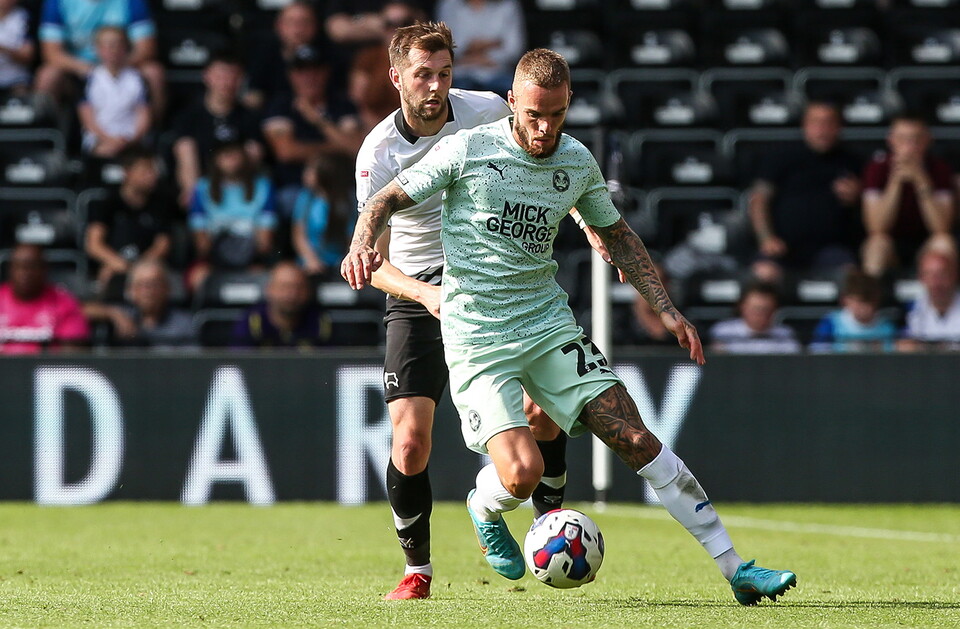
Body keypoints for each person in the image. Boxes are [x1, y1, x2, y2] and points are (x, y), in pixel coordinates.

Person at [343, 48, 796, 605]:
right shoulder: (467, 149)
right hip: (477, 333)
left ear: (568, 104)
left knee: (637, 440)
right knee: (521, 475)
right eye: (534, 115)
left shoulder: (577, 161)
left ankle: (737, 569)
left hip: (547, 325)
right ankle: (484, 505)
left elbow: (619, 234)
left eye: (556, 115)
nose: (544, 129)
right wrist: (362, 241)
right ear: (512, 102)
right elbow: (386, 198)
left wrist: (666, 308)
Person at [351, 22, 583, 601]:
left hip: (493, 283)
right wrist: (427, 296)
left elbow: (547, 164)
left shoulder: (485, 111)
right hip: (419, 294)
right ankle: (418, 570)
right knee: (410, 442)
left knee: (544, 412)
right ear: (396, 77)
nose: (435, 86)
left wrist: (589, 221)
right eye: (422, 75)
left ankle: (548, 526)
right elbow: (373, 263)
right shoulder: (377, 153)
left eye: (444, 73)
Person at [748, 101, 862, 282]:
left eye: (828, 122)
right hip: (783, 248)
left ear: (839, 127)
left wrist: (858, 195)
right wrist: (766, 238)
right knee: (764, 273)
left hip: (831, 249)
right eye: (816, 122)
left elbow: (871, 209)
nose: (822, 129)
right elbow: (759, 199)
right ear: (804, 125)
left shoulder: (853, 162)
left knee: (852, 279)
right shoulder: (780, 157)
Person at [261, 44, 361, 217]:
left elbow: (355, 148)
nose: (309, 77)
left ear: (326, 72)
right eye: (302, 71)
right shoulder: (280, 106)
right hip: (294, 186)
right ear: (291, 75)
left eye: (315, 71)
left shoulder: (342, 105)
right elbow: (286, 152)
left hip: (340, 187)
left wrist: (318, 120)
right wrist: (336, 146)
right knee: (293, 201)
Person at [861, 114, 956, 278]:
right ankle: (871, 293)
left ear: (928, 140)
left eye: (916, 139)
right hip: (892, 245)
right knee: (876, 244)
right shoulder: (877, 168)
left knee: (944, 242)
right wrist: (895, 182)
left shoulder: (940, 169)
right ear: (891, 140)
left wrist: (921, 181)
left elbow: (941, 227)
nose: (910, 147)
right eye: (902, 139)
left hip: (926, 245)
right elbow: (876, 227)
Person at [35, 0, 165, 116]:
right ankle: (47, 131)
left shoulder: (132, 1)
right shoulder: (57, 2)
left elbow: (146, 49)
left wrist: (113, 67)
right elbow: (51, 54)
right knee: (47, 75)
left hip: (121, 66)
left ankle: (155, 130)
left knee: (154, 72)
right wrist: (91, 70)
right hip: (77, 70)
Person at [172, 51, 264, 209]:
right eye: (221, 76)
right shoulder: (189, 116)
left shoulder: (249, 117)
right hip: (202, 187)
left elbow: (255, 155)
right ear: (206, 76)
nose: (226, 83)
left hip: (238, 188)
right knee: (186, 147)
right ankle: (198, 202)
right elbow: (184, 154)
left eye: (233, 76)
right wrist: (194, 191)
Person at [187, 140, 277, 292]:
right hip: (214, 258)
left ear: (244, 156)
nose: (230, 158)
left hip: (253, 258)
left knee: (268, 280)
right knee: (199, 277)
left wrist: (251, 259)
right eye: (224, 154)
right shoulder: (202, 188)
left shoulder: (263, 187)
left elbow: (265, 242)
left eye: (235, 152)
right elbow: (201, 242)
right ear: (215, 159)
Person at [84, 146, 174, 294]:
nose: (152, 175)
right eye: (146, 170)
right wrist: (123, 266)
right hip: (116, 265)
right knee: (106, 274)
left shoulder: (161, 204)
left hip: (148, 268)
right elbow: (94, 245)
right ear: (127, 172)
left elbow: (163, 245)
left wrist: (139, 269)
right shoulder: (106, 202)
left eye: (153, 170)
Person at [83, 259, 195, 348]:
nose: (148, 291)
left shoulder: (184, 324)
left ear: (167, 288)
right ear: (130, 291)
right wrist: (113, 314)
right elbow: (80, 311)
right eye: (141, 285)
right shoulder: (124, 313)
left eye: (154, 284)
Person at [0, 243, 89, 353]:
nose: (25, 273)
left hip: (48, 364)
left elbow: (72, 353)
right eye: (19, 267)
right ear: (10, 269)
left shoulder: (63, 302)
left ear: (44, 269)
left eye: (31, 267)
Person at [77, 26, 150, 158]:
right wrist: (109, 140)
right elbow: (87, 119)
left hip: (130, 140)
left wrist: (131, 140)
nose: (111, 49)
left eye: (116, 44)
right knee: (104, 153)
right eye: (106, 45)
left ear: (125, 47)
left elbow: (143, 115)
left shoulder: (137, 78)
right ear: (97, 49)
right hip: (99, 141)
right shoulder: (89, 79)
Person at [244, 0, 326, 111]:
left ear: (315, 26)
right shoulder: (264, 55)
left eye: (305, 22)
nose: (298, 29)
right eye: (291, 22)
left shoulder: (328, 56)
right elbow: (253, 94)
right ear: (279, 26)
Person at [231, 261, 332, 348]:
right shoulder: (252, 322)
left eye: (299, 288)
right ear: (269, 289)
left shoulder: (320, 323)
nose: (292, 294)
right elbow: (238, 359)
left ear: (308, 291)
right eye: (284, 287)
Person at [435, 0, 526, 97]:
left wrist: (475, 54)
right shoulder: (449, 5)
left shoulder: (508, 5)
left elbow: (513, 49)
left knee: (517, 92)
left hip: (498, 72)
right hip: (460, 74)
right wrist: (492, 43)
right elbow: (444, 47)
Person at [292, 154, 355, 279]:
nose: (305, 174)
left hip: (340, 264)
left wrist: (346, 261)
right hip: (309, 265)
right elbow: (299, 234)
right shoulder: (306, 198)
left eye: (310, 170)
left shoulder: (347, 200)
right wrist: (311, 260)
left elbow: (351, 236)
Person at [809, 269, 896, 353]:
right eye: (860, 301)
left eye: (869, 301)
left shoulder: (887, 327)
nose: (865, 307)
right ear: (846, 300)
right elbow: (818, 353)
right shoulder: (831, 324)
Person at [709, 283, 801, 354]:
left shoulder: (785, 335)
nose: (760, 314)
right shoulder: (724, 332)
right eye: (755, 309)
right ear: (742, 307)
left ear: (774, 310)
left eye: (766, 309)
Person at [900, 243, 960, 349]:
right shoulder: (911, 310)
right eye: (929, 274)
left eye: (942, 274)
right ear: (921, 277)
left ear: (954, 275)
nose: (936, 282)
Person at [0, 0, 34, 97]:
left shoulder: (25, 17)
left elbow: (27, 56)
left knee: (21, 96)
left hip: (17, 80)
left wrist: (3, 48)